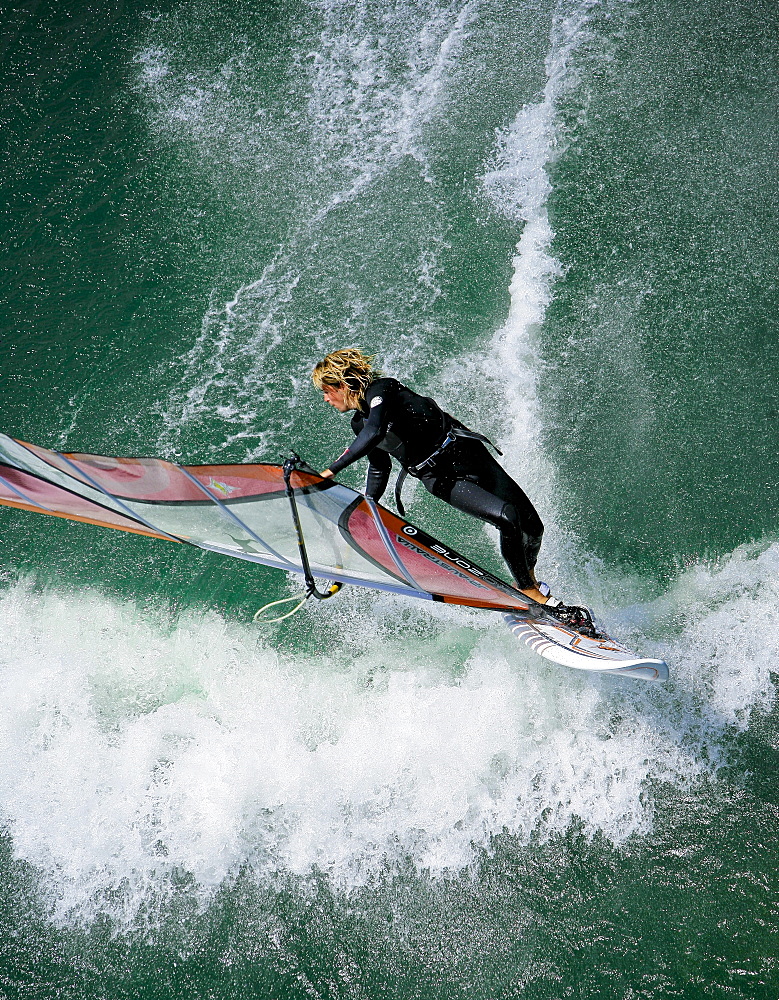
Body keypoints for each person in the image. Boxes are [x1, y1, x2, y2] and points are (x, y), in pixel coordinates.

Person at [312, 348, 600, 635]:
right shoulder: (358, 425)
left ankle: (529, 583)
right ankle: (529, 591)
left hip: (468, 454)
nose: (326, 399)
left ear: (341, 384)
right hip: (438, 476)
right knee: (507, 517)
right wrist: (368, 506)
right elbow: (378, 466)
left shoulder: (383, 390)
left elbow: (375, 430)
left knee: (534, 527)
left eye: (326, 391)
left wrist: (329, 471)